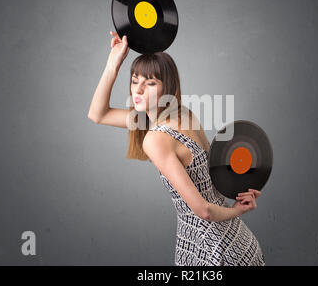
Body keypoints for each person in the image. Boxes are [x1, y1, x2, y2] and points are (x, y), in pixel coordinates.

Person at [88, 31, 265, 266]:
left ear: (166, 88)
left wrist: (239, 210)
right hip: (240, 243)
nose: (138, 90)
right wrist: (114, 60)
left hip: (210, 251)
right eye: (134, 80)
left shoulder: (156, 138)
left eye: (150, 83)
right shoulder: (182, 116)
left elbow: (204, 212)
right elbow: (97, 114)